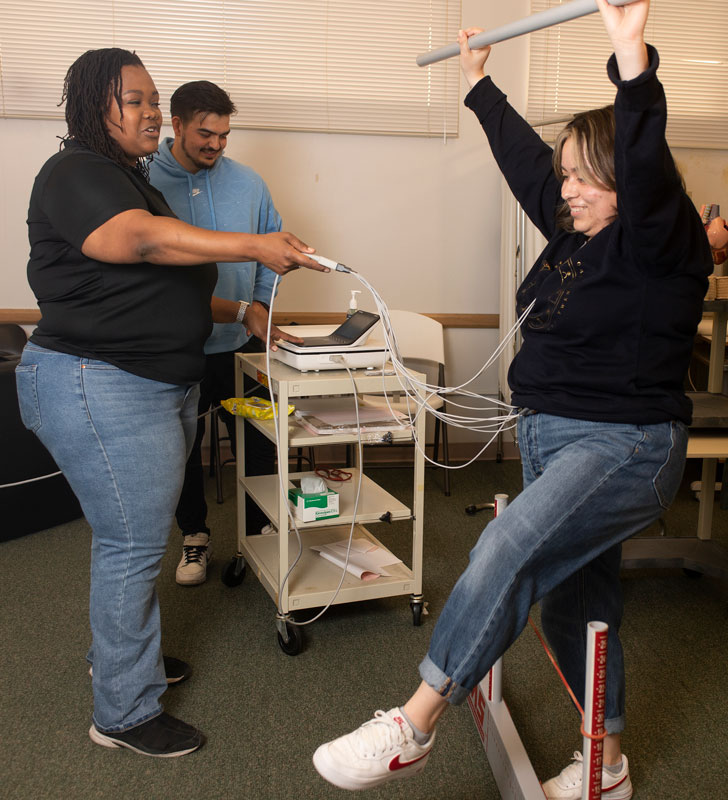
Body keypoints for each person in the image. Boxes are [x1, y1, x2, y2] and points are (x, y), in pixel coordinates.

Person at [312, 1, 712, 796]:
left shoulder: (658, 242)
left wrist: (631, 54)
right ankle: (608, 765)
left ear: (624, 180)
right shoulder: (573, 234)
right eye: (566, 175)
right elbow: (528, 164)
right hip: (552, 438)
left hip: (625, 444)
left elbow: (645, 155)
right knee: (575, 604)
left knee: (509, 547)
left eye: (582, 175)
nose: (566, 188)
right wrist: (479, 86)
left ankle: (414, 721)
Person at [16, 47, 328, 759]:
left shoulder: (127, 179)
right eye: (135, 101)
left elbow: (165, 286)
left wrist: (242, 311)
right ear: (94, 106)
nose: (152, 112)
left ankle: (121, 663)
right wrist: (253, 244)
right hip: (100, 383)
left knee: (128, 539)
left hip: (141, 383)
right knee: (130, 546)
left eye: (155, 99)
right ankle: (123, 712)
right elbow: (140, 244)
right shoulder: (75, 172)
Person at [148, 81, 296, 586]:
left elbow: (272, 250)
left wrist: (260, 306)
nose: (216, 144)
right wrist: (240, 310)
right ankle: (195, 538)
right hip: (177, 349)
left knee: (258, 442)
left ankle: (260, 531)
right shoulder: (143, 182)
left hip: (241, 346)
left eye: (224, 135)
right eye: (205, 134)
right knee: (182, 452)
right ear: (176, 126)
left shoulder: (249, 183)